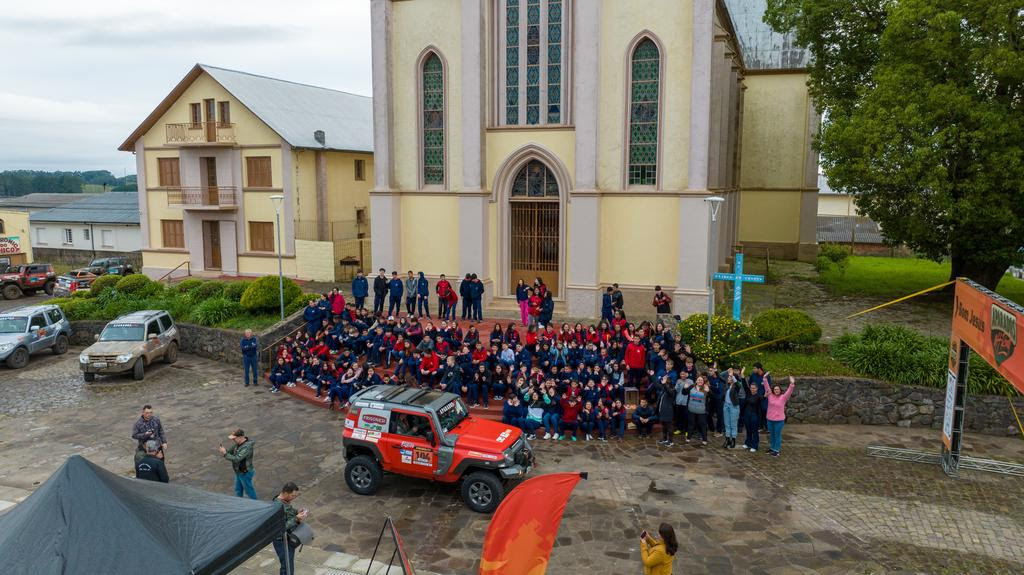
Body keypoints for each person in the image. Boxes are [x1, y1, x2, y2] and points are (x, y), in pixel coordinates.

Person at [272, 482, 309, 575]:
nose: (294, 497)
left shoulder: (284, 501)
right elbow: (281, 527)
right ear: (285, 493)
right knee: (287, 566)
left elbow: (289, 512)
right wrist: (297, 518)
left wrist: (297, 511)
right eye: (292, 495)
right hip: (281, 541)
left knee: (289, 564)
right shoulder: (277, 507)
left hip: (287, 539)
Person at [219, 428, 256, 499]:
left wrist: (225, 453)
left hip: (245, 472)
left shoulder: (246, 447)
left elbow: (236, 459)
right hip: (239, 471)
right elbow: (229, 452)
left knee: (249, 491)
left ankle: (257, 505)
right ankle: (239, 504)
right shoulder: (238, 444)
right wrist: (224, 451)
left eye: (234, 438)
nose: (233, 440)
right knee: (238, 490)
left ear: (240, 437)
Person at [766, 376, 796, 456]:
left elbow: (789, 391)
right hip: (770, 419)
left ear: (780, 390)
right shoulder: (770, 395)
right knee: (771, 435)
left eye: (778, 389)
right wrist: (765, 379)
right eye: (775, 389)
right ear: (773, 390)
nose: (776, 390)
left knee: (777, 435)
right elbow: (767, 387)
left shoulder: (783, 397)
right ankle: (772, 448)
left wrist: (792, 383)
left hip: (779, 420)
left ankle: (776, 450)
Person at [722, 370, 742, 449]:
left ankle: (733, 439)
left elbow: (738, 384)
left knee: (733, 423)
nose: (728, 378)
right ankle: (727, 439)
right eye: (729, 377)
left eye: (730, 378)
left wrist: (732, 375)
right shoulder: (726, 386)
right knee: (727, 423)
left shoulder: (736, 386)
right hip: (726, 406)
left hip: (734, 407)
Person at [742, 383, 762, 452]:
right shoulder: (748, 394)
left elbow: (763, 399)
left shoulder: (759, 396)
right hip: (747, 414)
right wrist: (742, 375)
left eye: (754, 388)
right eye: (751, 388)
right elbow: (744, 385)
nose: (752, 389)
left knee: (754, 431)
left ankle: (755, 446)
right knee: (748, 430)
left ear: (756, 389)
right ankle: (748, 443)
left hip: (754, 415)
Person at [656, 376, 675, 446]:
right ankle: (664, 439)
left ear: (668, 382)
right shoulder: (663, 390)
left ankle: (670, 441)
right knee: (664, 426)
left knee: (669, 426)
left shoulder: (672, 389)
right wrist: (652, 375)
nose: (662, 381)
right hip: (662, 411)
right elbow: (657, 384)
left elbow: (669, 391)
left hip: (668, 411)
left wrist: (664, 384)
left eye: (664, 380)